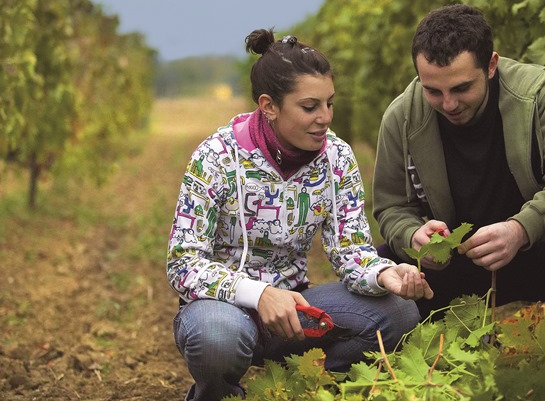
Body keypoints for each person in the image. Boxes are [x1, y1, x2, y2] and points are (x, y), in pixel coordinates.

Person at [167, 28, 432, 401]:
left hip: (295, 312)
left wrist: (385, 274)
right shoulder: (216, 157)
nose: (325, 117)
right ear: (269, 106)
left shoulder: (336, 158)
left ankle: (307, 389)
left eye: (330, 103)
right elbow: (183, 263)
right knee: (215, 336)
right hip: (222, 308)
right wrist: (259, 295)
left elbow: (350, 250)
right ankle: (217, 395)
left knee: (399, 314)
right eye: (310, 107)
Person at [372, 4, 545, 374]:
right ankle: (450, 356)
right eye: (433, 91)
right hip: (456, 263)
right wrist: (413, 235)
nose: (448, 104)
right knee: (387, 261)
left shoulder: (535, 94)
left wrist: (521, 229)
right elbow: (391, 207)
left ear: (490, 65)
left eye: (461, 88)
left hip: (536, 247)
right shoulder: (401, 117)